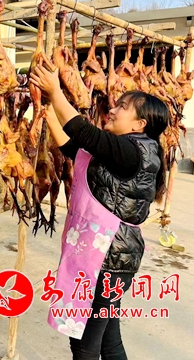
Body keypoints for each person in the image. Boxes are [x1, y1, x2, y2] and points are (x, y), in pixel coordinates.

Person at [30, 64, 170, 360]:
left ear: (139, 124)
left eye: (122, 107)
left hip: (106, 260)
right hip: (113, 259)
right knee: (109, 340)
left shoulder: (132, 152)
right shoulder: (128, 151)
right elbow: (75, 148)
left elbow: (84, 133)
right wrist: (48, 112)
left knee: (84, 345)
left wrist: (56, 91)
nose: (112, 109)